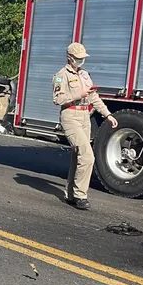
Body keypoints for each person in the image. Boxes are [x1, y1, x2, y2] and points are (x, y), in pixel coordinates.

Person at [52, 42, 118, 210]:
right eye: (78, 59)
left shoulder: (85, 75)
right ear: (70, 58)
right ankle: (81, 195)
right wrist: (78, 94)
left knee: (78, 155)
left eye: (83, 59)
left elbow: (94, 97)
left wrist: (107, 114)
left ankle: (71, 194)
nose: (81, 62)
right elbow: (58, 99)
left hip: (84, 117)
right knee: (87, 156)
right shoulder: (61, 75)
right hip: (70, 115)